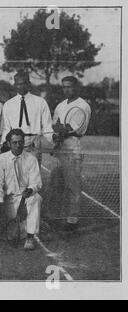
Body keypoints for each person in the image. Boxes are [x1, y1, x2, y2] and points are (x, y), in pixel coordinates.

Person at [48, 76, 92, 231]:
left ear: (76, 87)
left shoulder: (83, 105)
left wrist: (62, 127)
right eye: (64, 87)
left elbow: (69, 128)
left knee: (73, 185)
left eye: (69, 87)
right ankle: (55, 216)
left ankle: (73, 219)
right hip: (60, 148)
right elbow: (55, 125)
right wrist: (60, 128)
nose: (66, 89)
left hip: (73, 148)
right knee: (55, 183)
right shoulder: (60, 105)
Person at [0, 129, 42, 250]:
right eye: (14, 142)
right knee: (11, 232)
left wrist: (30, 190)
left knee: (36, 198)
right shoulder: (1, 159)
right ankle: (15, 228)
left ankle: (30, 238)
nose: (18, 145)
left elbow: (36, 182)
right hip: (9, 200)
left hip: (25, 199)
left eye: (20, 142)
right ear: (9, 143)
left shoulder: (31, 159)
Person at [1, 71, 53, 164]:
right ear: (15, 85)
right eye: (18, 84)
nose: (21, 87)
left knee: (33, 175)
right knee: (16, 175)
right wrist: (5, 142)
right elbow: (6, 128)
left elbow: (47, 126)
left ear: (29, 84)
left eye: (24, 83)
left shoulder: (40, 102)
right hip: (15, 143)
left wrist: (50, 141)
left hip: (34, 144)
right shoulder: (8, 104)